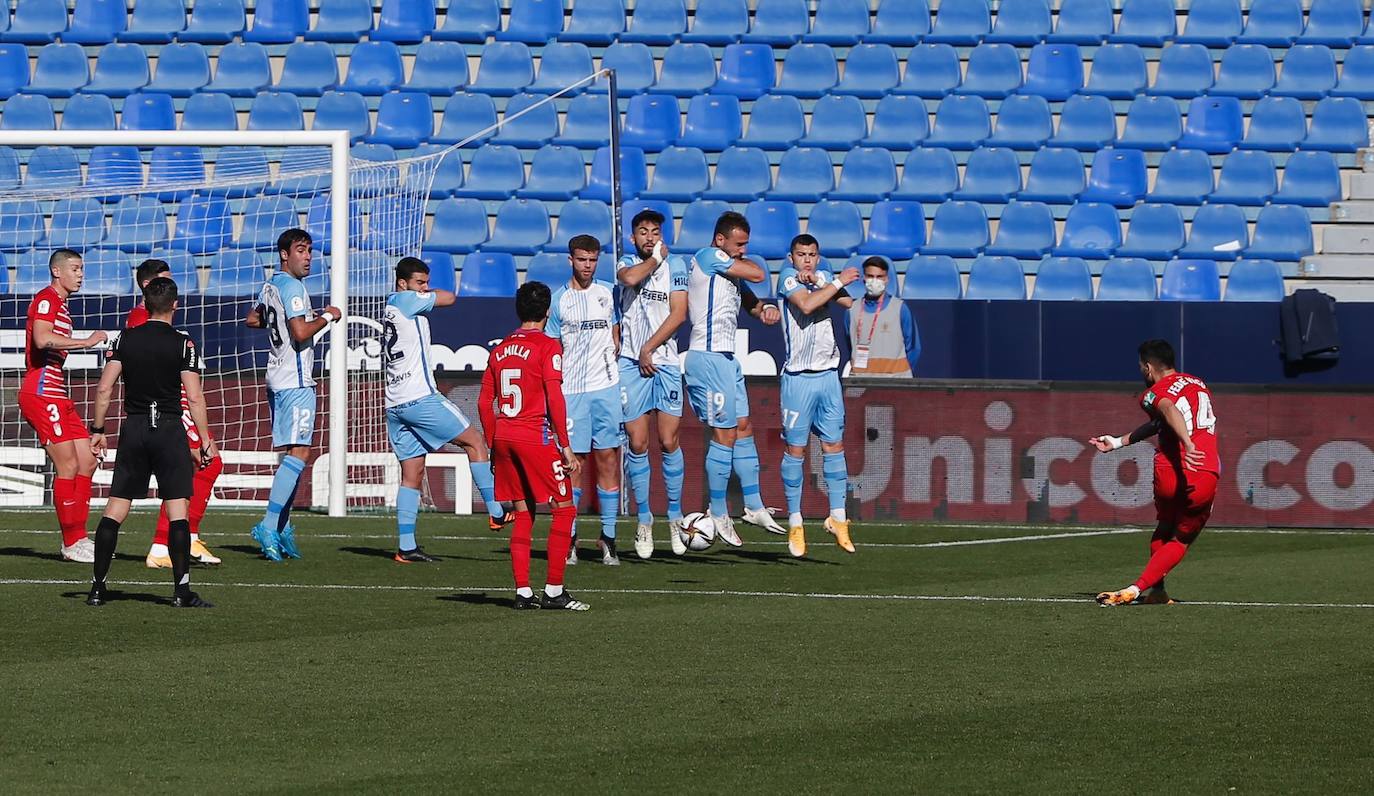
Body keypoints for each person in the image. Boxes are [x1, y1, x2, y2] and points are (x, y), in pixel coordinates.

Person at [86, 277, 216, 608]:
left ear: (144, 303)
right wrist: (203, 438)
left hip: (135, 429)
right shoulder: (183, 343)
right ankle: (181, 591)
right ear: (175, 305)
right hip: (169, 430)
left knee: (115, 508)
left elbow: (104, 388)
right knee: (178, 511)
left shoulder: (124, 338)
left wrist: (98, 429)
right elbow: (195, 396)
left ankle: (98, 588)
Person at [383, 257, 506, 562]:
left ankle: (406, 546)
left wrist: (422, 291)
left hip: (394, 403)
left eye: (426, 282)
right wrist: (429, 293)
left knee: (412, 473)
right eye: (419, 283)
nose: (424, 288)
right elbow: (450, 298)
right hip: (419, 398)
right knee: (475, 441)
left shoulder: (392, 306)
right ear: (403, 284)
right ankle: (496, 511)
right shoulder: (406, 301)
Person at [478, 281, 588, 611]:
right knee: (564, 507)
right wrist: (565, 446)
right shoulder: (548, 346)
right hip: (534, 437)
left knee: (523, 511)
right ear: (548, 312)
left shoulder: (499, 349)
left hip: (506, 438)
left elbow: (486, 402)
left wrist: (493, 443)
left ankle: (524, 592)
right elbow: (554, 396)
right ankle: (554, 590)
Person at [1090, 339, 1220, 606]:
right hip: (1202, 469)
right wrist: (1118, 441)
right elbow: (1164, 420)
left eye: (1141, 367)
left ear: (1148, 368)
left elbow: (1167, 409)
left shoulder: (1152, 392)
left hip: (1170, 470)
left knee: (1165, 526)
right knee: (1181, 539)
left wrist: (1186, 441)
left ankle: (1158, 591)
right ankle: (1137, 589)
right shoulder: (1198, 384)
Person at [683, 212, 783, 547]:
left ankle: (753, 505)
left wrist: (766, 312)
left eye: (745, 245)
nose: (742, 250)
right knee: (724, 433)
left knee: (743, 426)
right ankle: (718, 511)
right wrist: (744, 261)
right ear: (720, 240)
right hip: (708, 357)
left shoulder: (728, 272)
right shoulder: (708, 257)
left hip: (727, 359)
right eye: (738, 244)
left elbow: (754, 305)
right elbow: (757, 272)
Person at [244, 229, 341, 561]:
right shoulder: (294, 287)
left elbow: (253, 319)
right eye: (301, 250)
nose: (308, 256)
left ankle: (282, 527)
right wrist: (328, 315)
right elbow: (300, 333)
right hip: (296, 381)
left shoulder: (271, 285)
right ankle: (270, 525)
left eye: (310, 250)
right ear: (285, 254)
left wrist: (285, 325)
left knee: (293, 455)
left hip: (276, 375)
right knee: (299, 454)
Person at [126, 259, 222, 569]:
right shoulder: (141, 320)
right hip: (168, 404)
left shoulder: (147, 319)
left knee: (196, 467)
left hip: (167, 403)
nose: (171, 285)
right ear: (148, 286)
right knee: (204, 462)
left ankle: (176, 540)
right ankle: (173, 541)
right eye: (165, 280)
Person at [775, 235, 860, 558]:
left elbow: (847, 302)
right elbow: (807, 305)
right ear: (791, 256)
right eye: (801, 255)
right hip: (798, 379)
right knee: (795, 450)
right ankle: (796, 522)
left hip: (828, 376)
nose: (807, 260)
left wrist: (826, 280)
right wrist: (835, 280)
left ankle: (838, 517)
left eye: (812, 255)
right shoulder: (786, 279)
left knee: (833, 445)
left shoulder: (822, 278)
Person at [20, 249, 107, 563]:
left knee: (87, 461)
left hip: (58, 392)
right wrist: (85, 343)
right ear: (57, 271)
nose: (81, 274)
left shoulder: (64, 308)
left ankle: (80, 538)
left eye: (82, 268)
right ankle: (71, 543)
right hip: (41, 391)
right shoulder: (47, 299)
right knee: (68, 464)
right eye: (75, 268)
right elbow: (42, 340)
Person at [615, 209, 690, 559]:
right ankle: (644, 520)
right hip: (630, 363)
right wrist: (655, 258)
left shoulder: (677, 267)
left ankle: (674, 516)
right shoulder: (627, 262)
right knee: (637, 440)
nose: (649, 237)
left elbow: (679, 314)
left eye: (655, 232)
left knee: (668, 439)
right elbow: (629, 280)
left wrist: (650, 347)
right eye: (643, 232)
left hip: (664, 362)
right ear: (634, 238)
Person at [546, 235, 624, 566]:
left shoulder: (608, 293)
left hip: (605, 388)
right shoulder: (558, 300)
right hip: (572, 392)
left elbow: (616, 332)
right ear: (571, 260)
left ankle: (608, 538)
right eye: (581, 260)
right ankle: (570, 537)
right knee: (573, 464)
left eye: (592, 260)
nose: (587, 266)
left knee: (608, 459)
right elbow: (551, 348)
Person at [844, 257, 920, 378]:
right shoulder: (851, 310)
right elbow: (849, 345)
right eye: (870, 276)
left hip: (895, 383)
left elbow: (914, 348)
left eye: (879, 277)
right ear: (863, 279)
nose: (874, 281)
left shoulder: (900, 308)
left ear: (887, 279)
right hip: (861, 384)